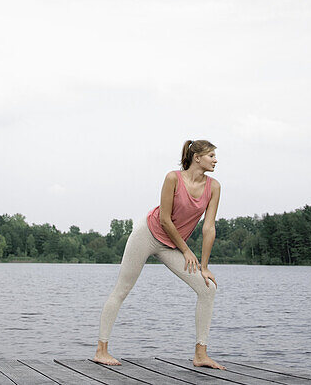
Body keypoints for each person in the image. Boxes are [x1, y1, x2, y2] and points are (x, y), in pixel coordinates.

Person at [94, 139, 225, 370]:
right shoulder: (173, 178)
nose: (215, 160)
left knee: (208, 288)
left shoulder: (213, 187)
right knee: (122, 290)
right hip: (148, 234)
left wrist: (204, 266)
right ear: (197, 157)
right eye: (211, 155)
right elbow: (165, 219)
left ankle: (201, 354)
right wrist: (186, 250)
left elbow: (209, 228)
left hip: (172, 245)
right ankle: (101, 351)